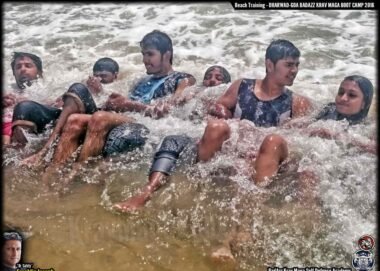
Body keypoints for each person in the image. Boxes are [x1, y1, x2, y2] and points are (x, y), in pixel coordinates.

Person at [113, 39, 312, 212]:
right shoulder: (242, 87)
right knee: (217, 127)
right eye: (289, 65)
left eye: (296, 65)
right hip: (234, 151)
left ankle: (248, 212)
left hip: (265, 162)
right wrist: (223, 115)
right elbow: (212, 112)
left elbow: (297, 144)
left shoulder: (297, 103)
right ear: (270, 64)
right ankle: (187, 188)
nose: (294, 70)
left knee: (271, 142)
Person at [22, 30, 196, 170]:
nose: (145, 60)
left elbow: (170, 109)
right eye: (143, 54)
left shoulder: (183, 79)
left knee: (100, 117)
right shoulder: (140, 80)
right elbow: (123, 103)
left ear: (167, 54)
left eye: (150, 54)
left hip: (148, 125)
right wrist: (105, 97)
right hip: (126, 117)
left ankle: (75, 175)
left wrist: (130, 105)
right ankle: (52, 174)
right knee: (75, 119)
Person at [3, 52, 43, 145]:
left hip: (25, 125)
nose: (23, 69)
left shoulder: (48, 88)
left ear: (39, 72)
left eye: (28, 66)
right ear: (13, 73)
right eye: (18, 67)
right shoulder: (7, 89)